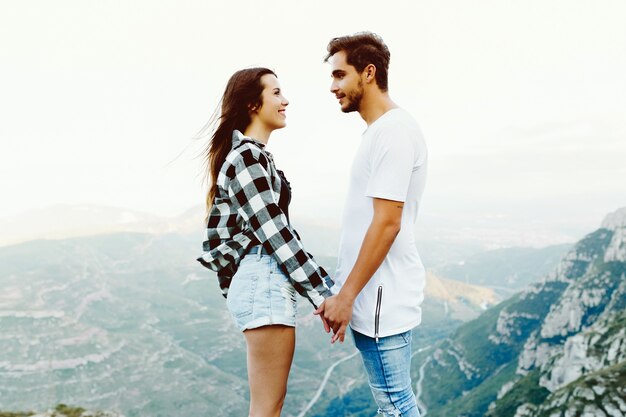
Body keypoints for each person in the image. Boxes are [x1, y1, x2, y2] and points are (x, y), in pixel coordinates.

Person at [197, 67, 334, 417]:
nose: (285, 100)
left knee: (268, 406)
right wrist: (325, 295)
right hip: (264, 282)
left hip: (264, 283)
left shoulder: (256, 157)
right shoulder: (246, 158)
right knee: (267, 408)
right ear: (252, 104)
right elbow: (276, 232)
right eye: (275, 93)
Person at [314, 32, 428, 417]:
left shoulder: (393, 133)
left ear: (368, 72)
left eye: (339, 75)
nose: (333, 87)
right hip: (374, 296)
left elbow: (387, 224)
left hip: (382, 296)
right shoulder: (380, 132)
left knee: (395, 406)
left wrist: (347, 298)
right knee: (393, 406)